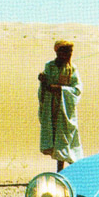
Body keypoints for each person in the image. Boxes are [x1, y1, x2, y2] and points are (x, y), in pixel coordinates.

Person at [38, 40, 83, 172]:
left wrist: (61, 89)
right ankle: (61, 171)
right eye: (66, 51)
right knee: (57, 139)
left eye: (70, 51)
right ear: (58, 52)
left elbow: (77, 90)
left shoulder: (72, 69)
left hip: (66, 111)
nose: (69, 54)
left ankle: (74, 169)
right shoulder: (50, 66)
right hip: (51, 109)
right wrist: (43, 81)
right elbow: (45, 88)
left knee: (67, 138)